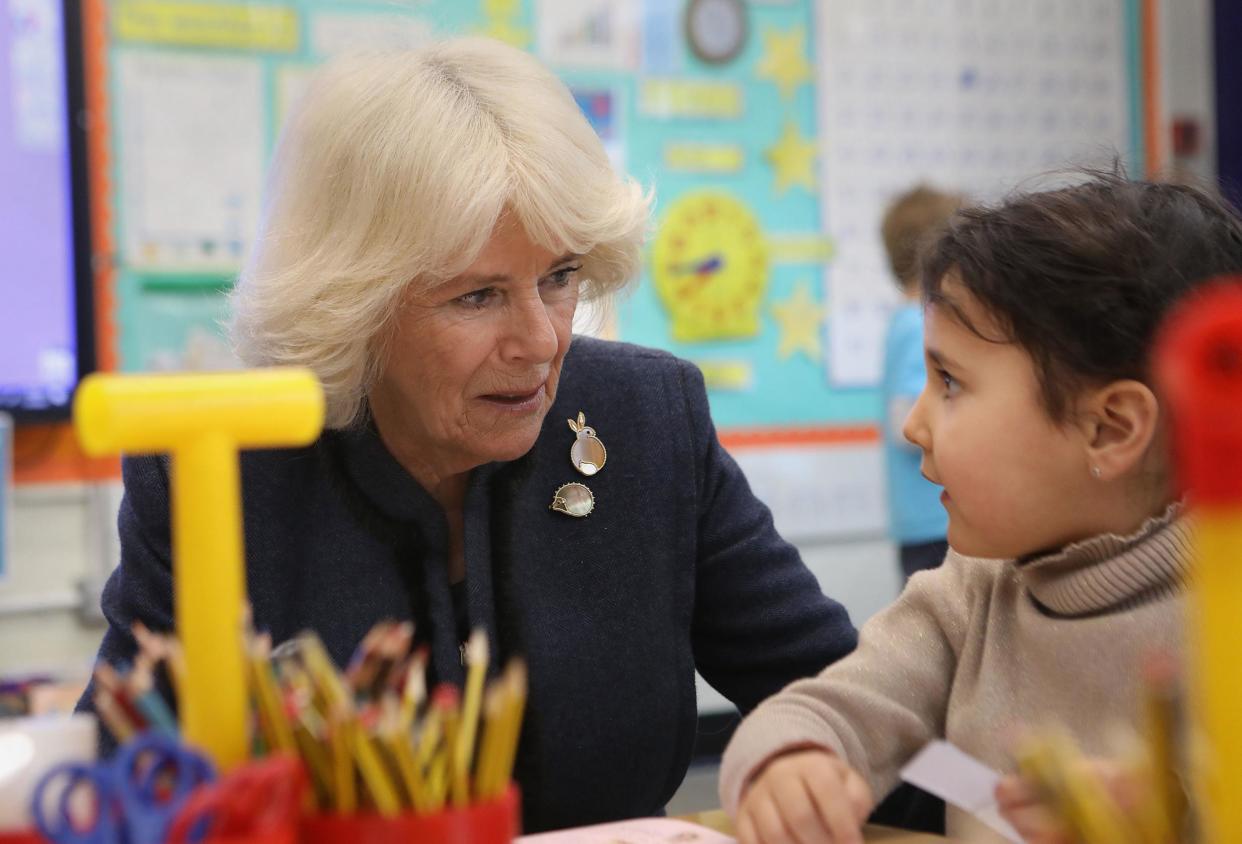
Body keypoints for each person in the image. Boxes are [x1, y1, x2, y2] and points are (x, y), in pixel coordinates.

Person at [81, 38, 860, 833]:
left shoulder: (648, 417)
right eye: (479, 296)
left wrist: (953, 784)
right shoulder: (228, 466)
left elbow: (860, 707)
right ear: (354, 303)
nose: (542, 341)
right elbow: (112, 783)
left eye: (559, 278)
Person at [717, 171, 1242, 843]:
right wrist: (791, 762)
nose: (913, 425)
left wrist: (1174, 817)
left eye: (951, 382)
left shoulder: (1220, 614)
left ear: (1109, 429)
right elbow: (828, 709)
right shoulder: (967, 598)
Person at [879, 186, 961, 581]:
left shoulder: (908, 321)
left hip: (925, 518)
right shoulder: (919, 324)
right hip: (933, 519)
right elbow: (905, 424)